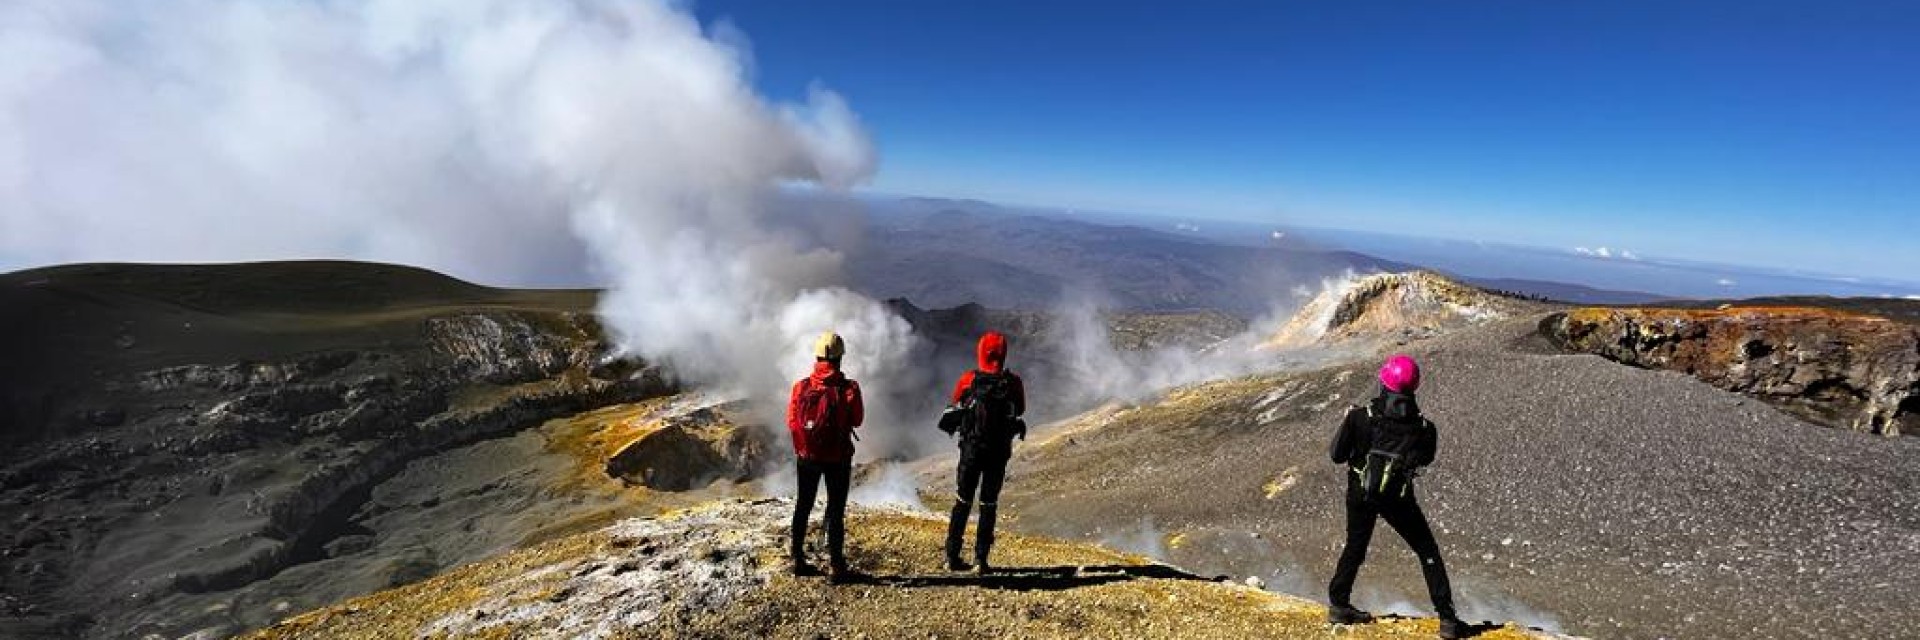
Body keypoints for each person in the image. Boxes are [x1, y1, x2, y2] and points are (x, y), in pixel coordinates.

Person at [1326, 354, 1468, 639]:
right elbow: (1424, 460)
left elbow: (1337, 455)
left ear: (1383, 383)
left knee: (1355, 546)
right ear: (1414, 387)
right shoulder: (1426, 430)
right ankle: (1448, 619)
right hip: (1398, 499)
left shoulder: (1359, 418)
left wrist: (1347, 423)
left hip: (1360, 493)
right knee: (1426, 551)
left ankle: (1339, 605)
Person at [938, 330, 1027, 574]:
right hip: (998, 453)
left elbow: (956, 402)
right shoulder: (1013, 383)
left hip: (971, 450)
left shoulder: (969, 380)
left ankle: (952, 555)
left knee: (962, 501)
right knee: (988, 504)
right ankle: (981, 560)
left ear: (980, 352)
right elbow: (1020, 409)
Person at [787, 331, 864, 583]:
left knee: (803, 505)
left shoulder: (801, 387)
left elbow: (791, 421)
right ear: (840, 359)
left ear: (817, 356)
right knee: (835, 509)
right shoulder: (849, 389)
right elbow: (858, 420)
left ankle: (797, 558)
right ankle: (836, 565)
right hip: (838, 458)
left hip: (807, 457)